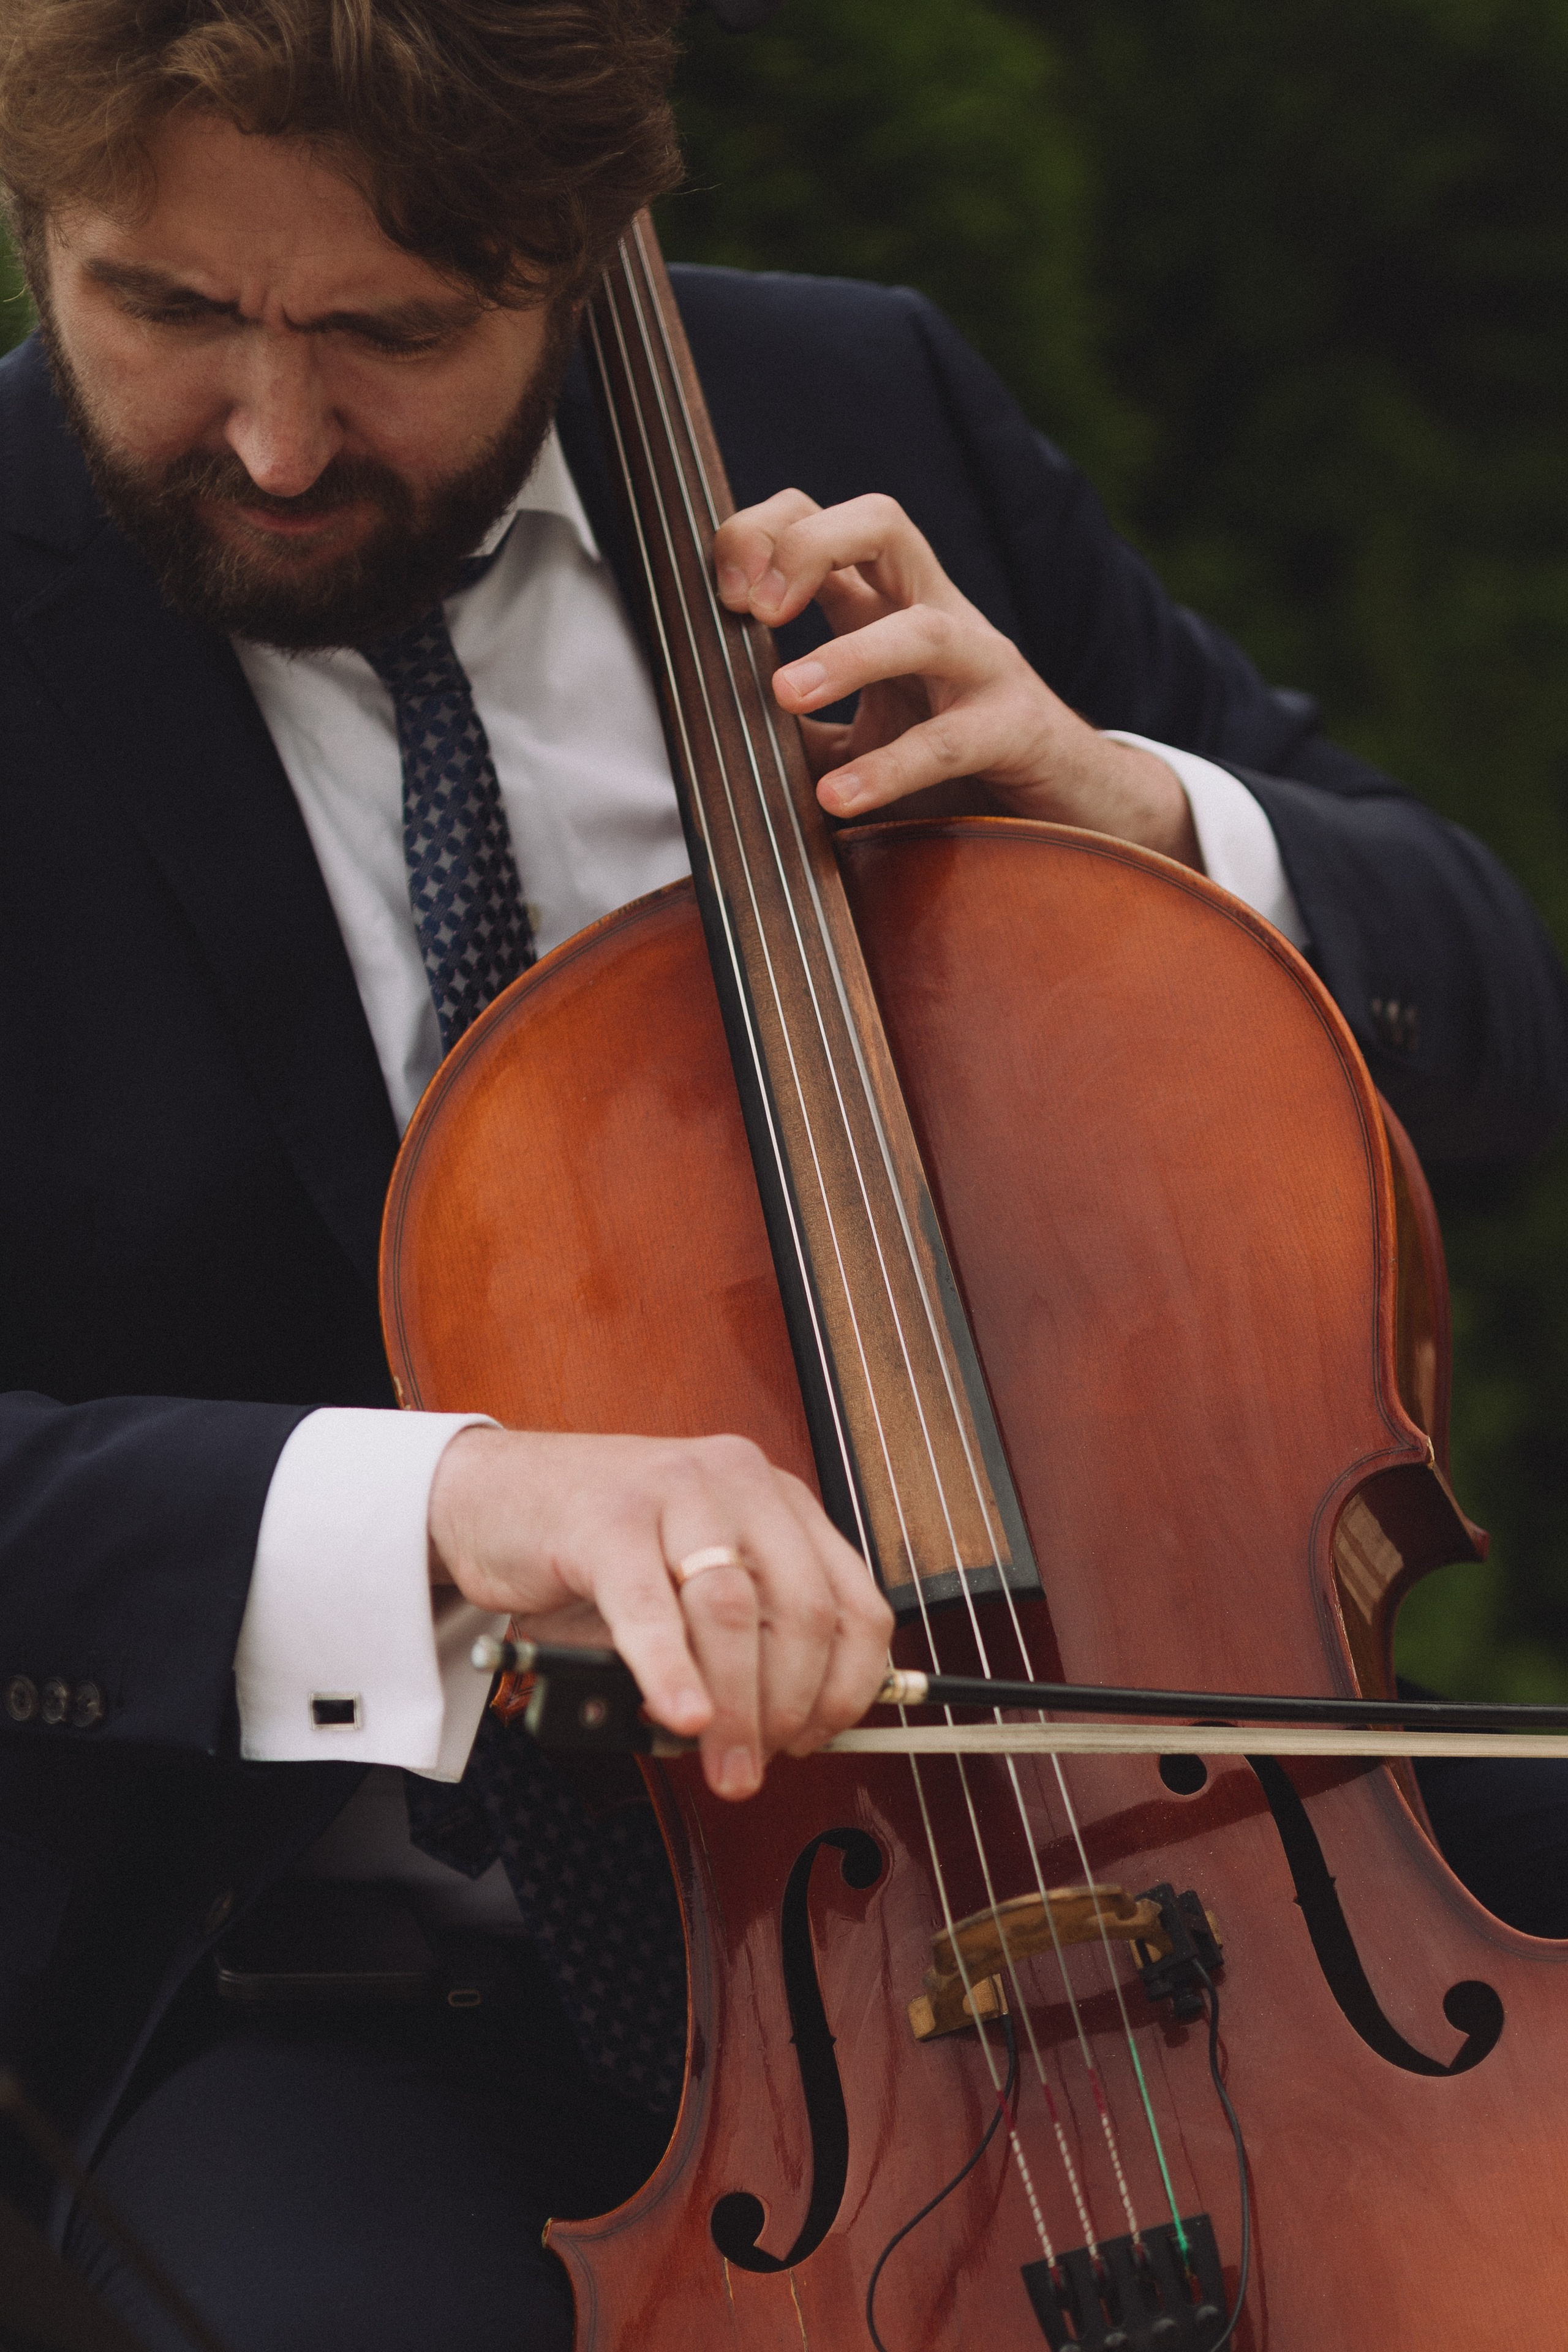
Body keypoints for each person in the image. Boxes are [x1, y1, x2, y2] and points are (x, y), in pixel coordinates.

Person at [0, 2, 1563, 2346]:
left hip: (1173, 1867)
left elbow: (1498, 1023)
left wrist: (1138, 831)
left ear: (582, 233)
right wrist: (443, 1508)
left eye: (392, 333)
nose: (274, 430)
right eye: (165, 306)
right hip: (328, 1984)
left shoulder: (861, 407)